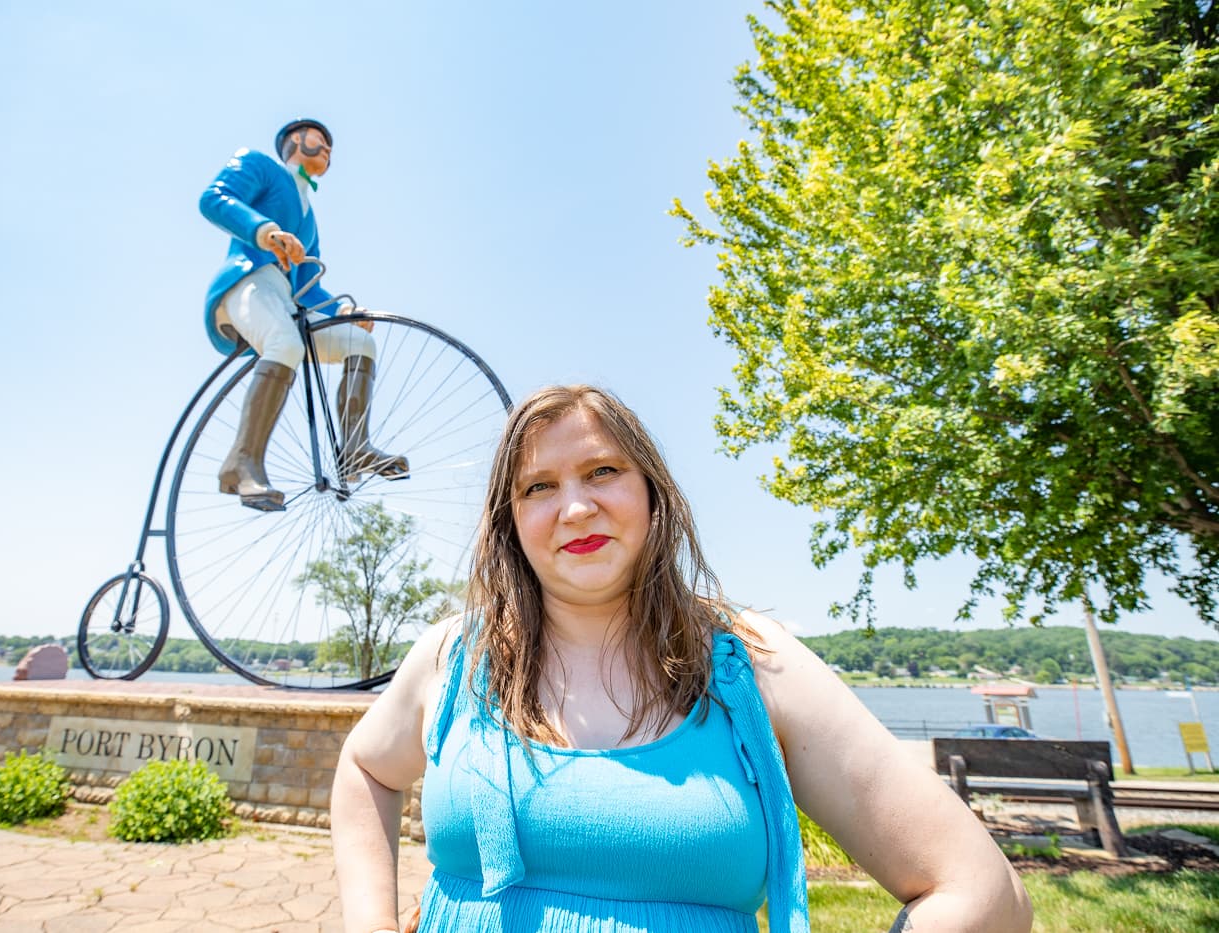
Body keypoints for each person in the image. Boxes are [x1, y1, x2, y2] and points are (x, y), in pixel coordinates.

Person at [330, 385, 1033, 933]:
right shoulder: (457, 655)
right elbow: (364, 768)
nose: (574, 506)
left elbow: (980, 888)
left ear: (652, 495)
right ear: (511, 522)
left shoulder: (754, 663)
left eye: (602, 470)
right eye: (538, 485)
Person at [199, 117, 407, 511]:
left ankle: (354, 448)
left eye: (330, 145)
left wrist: (342, 310)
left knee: (359, 343)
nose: (326, 147)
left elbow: (309, 281)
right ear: (295, 140)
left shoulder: (310, 216)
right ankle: (240, 462)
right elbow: (214, 198)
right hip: (249, 282)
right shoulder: (258, 164)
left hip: (286, 299)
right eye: (317, 138)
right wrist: (264, 231)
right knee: (284, 341)